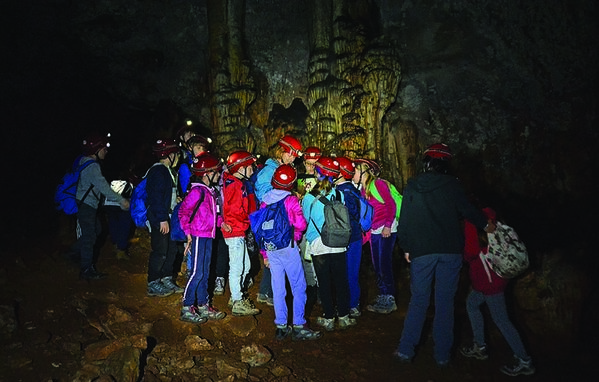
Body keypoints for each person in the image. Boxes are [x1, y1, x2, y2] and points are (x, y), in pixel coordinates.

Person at [394, 143, 496, 367]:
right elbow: (468, 211)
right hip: (450, 251)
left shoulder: (413, 185)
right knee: (445, 303)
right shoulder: (453, 186)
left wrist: (407, 247)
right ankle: (442, 354)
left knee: (419, 301)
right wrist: (486, 225)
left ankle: (405, 350)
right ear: (446, 163)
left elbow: (406, 220)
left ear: (427, 162)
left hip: (422, 251)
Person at [461, 207, 535, 376]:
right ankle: (479, 345)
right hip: (499, 277)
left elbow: (471, 252)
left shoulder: (473, 221)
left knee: (501, 320)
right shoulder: (493, 218)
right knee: (472, 304)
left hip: (489, 283)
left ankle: (524, 360)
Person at [260, 164, 321, 340]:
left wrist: (264, 254)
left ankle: (280, 326)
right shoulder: (291, 200)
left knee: (278, 287)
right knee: (298, 285)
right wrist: (296, 234)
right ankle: (299, 324)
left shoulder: (265, 200)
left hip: (271, 248)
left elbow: (260, 229)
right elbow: (301, 224)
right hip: (288, 246)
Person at [302, 157, 356, 331]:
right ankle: (344, 316)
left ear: (318, 174)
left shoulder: (309, 197)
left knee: (324, 282)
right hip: (339, 241)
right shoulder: (339, 194)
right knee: (341, 280)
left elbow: (305, 220)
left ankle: (328, 317)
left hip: (319, 243)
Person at [254, 135, 303, 306]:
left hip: (277, 216)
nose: (291, 159)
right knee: (276, 252)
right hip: (271, 217)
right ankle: (273, 294)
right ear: (280, 151)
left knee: (274, 252)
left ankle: (265, 291)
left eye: (294, 157)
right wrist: (285, 197)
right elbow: (262, 193)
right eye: (289, 155)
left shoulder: (282, 168)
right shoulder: (269, 170)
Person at [74, 132, 130, 280]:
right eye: (104, 148)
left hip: (85, 203)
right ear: (96, 150)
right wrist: (122, 201)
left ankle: (73, 255)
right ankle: (86, 269)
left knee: (96, 229)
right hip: (87, 204)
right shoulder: (92, 166)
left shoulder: (83, 161)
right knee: (89, 235)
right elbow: (103, 187)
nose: (106, 151)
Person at [178, 153, 226, 323]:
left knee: (205, 272)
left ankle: (203, 304)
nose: (219, 175)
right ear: (207, 173)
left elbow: (212, 215)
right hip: (198, 235)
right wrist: (188, 233)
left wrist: (221, 223)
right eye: (217, 172)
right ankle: (187, 306)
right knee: (197, 272)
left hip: (208, 235)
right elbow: (183, 212)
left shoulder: (209, 192)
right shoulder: (197, 191)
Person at [353, 159, 398, 314]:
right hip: (374, 230)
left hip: (387, 227)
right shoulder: (363, 190)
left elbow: (391, 205)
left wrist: (387, 225)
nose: (353, 174)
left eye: (356, 171)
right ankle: (383, 294)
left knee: (384, 262)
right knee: (376, 263)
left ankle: (390, 297)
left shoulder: (378, 184)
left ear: (365, 171)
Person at [222, 150, 261, 316]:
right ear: (240, 168)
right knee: (237, 266)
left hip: (239, 229)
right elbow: (233, 209)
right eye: (249, 166)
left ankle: (237, 294)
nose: (252, 169)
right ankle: (237, 300)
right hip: (235, 230)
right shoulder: (234, 185)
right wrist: (246, 219)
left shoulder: (236, 183)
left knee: (246, 265)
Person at [145, 138, 185, 297]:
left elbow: (166, 195)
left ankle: (166, 278)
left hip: (168, 216)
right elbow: (155, 197)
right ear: (169, 155)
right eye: (175, 154)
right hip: (160, 218)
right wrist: (162, 219)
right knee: (160, 250)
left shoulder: (168, 172)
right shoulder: (158, 171)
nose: (177, 157)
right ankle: (153, 282)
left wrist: (176, 201)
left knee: (172, 249)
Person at [335, 157, 363, 318]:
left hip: (347, 238)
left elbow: (351, 214)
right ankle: (352, 304)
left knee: (347, 272)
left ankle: (350, 305)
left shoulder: (343, 192)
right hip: (355, 237)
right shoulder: (353, 189)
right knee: (351, 272)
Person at [297, 146, 321, 304]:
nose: (311, 167)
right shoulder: (299, 178)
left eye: (315, 164)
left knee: (318, 257)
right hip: (305, 223)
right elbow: (298, 198)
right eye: (309, 163)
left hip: (318, 224)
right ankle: (310, 286)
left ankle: (320, 286)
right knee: (305, 256)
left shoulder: (324, 180)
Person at [104, 180, 134, 260]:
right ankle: (120, 250)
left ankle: (115, 244)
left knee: (113, 223)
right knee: (124, 227)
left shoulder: (111, 177)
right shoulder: (128, 178)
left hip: (109, 203)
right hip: (124, 204)